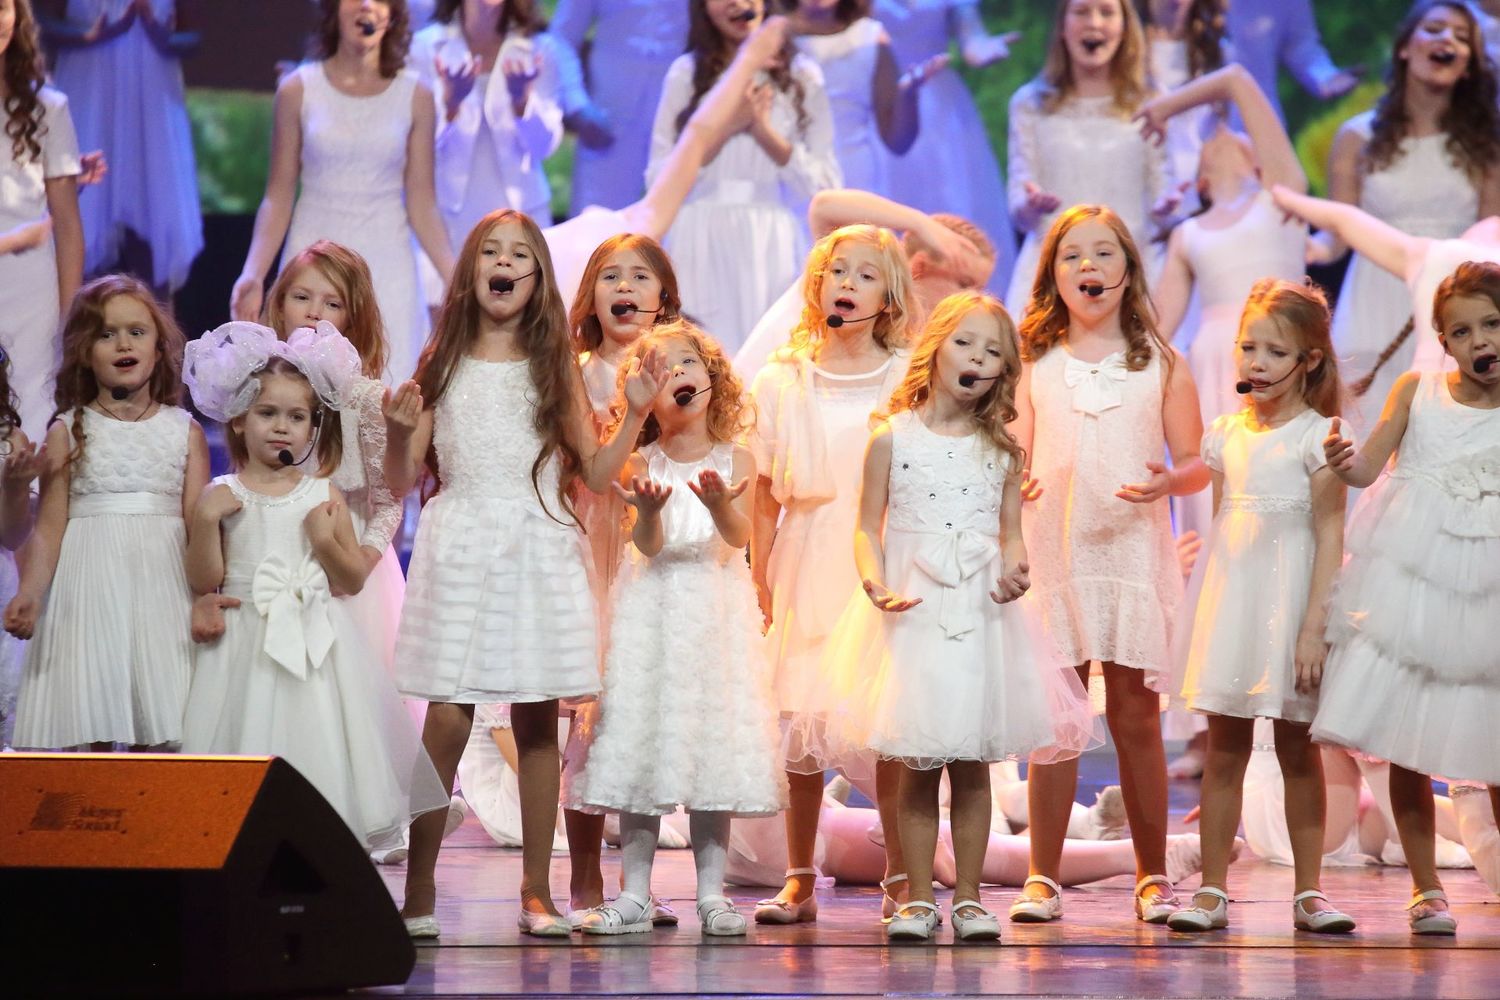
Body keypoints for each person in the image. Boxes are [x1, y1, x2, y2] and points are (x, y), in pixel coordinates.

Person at [384, 208, 667, 939]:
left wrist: (634, 417)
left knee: (539, 718)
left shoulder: (553, 365)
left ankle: (537, 892)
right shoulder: (440, 362)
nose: (503, 263)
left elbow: (597, 474)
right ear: (471, 271)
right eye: (491, 252)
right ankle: (418, 891)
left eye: (519, 254)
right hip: (460, 542)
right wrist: (397, 433)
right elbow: (400, 478)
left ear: (538, 278)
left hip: (538, 540)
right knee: (447, 716)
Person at [805, 292, 1098, 941]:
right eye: (966, 343)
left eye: (993, 352)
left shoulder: (1001, 452)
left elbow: (1010, 533)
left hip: (979, 616)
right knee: (914, 762)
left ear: (1004, 372)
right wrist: (874, 580)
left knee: (971, 763)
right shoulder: (892, 436)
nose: (977, 359)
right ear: (935, 348)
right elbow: (867, 527)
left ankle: (967, 897)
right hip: (912, 617)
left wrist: (1017, 567)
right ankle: (915, 895)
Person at [1007, 205, 1208, 925]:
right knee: (1056, 723)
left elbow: (1197, 461)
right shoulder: (1035, 362)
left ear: (1128, 270)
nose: (1087, 266)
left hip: (1129, 553)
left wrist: (1169, 482)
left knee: (1134, 716)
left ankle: (1152, 875)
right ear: (1052, 276)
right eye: (1072, 256)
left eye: (1103, 253)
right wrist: (1018, 478)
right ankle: (1042, 876)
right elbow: (1014, 449)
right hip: (1055, 553)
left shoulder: (1161, 363)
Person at [180, 321, 447, 850]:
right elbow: (204, 578)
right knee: (241, 746)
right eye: (267, 413)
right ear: (239, 420)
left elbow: (351, 580)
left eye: (296, 417)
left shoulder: (322, 494)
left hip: (313, 644)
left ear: (312, 428)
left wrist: (324, 542)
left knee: (316, 744)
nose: (282, 427)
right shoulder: (221, 492)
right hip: (241, 645)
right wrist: (207, 519)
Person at [1311, 260, 1500, 936]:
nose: (1480, 340)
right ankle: (1427, 888)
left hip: (1488, 596)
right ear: (1443, 342)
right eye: (1462, 331)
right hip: (1417, 587)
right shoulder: (1418, 391)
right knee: (1407, 736)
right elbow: (1368, 466)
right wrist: (1344, 460)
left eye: (1492, 324)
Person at [1165, 279, 1355, 935]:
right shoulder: (1224, 436)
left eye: (1276, 352)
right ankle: (1212, 889)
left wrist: (1312, 628)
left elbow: (1329, 533)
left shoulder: (1319, 436)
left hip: (1293, 605)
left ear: (1309, 359)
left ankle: (1310, 891)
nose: (1258, 363)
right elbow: (1226, 523)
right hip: (1235, 605)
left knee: (1298, 749)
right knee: (1224, 749)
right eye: (1250, 348)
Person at [749, 224, 916, 925]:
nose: (848, 283)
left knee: (886, 725)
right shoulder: (781, 379)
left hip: (882, 557)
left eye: (866, 274)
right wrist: (758, 573)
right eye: (837, 270)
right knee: (800, 724)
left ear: (889, 295)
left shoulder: (907, 375)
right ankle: (799, 877)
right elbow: (761, 489)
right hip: (807, 553)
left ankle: (903, 877)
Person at [6, 275, 205, 751]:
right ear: (84, 352)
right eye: (106, 334)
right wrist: (30, 593)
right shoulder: (67, 431)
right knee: (92, 719)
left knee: (162, 723)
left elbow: (198, 529)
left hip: (163, 590)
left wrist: (205, 598)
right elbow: (49, 528)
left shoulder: (185, 431)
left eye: (137, 332)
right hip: (89, 589)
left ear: (159, 347)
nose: (123, 344)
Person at [230, 0, 454, 382]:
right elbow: (277, 197)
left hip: (388, 264)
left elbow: (423, 203)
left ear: (392, 15)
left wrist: (454, 276)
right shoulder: (297, 89)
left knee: (387, 382)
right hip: (312, 260)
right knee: (302, 387)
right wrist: (253, 273)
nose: (367, 6)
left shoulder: (416, 95)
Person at [1316, 1, 1500, 432]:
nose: (1447, 40)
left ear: (1469, 65)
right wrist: (1301, 239)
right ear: (1404, 47)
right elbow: (1334, 238)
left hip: (1453, 305)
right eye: (1434, 29)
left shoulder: (1487, 145)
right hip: (1371, 300)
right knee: (1363, 432)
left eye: (1461, 37)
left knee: (1443, 431)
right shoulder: (1356, 136)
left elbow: (1491, 241)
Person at [648, 0, 840, 353]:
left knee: (768, 354)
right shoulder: (686, 73)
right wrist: (724, 128)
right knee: (704, 353)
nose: (739, 4)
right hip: (698, 235)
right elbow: (658, 178)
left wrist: (764, 133)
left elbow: (826, 184)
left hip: (771, 242)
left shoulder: (802, 74)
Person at [1005, 0, 1172, 318]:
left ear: (1125, 27)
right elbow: (1019, 207)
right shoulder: (1030, 104)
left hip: (1132, 274)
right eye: (1082, 12)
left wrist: (1169, 208)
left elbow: (1165, 195)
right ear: (1063, 27)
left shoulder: (1152, 101)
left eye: (1106, 12)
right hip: (1053, 277)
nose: (1094, 23)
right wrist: (1031, 205)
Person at [46, 0, 202, 292]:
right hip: (89, 94)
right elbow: (40, 25)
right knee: (80, 209)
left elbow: (192, 37)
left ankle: (153, 311)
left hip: (150, 107)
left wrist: (157, 32)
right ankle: (75, 308)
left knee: (152, 226)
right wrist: (86, 35)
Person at [874, 0, 1019, 295]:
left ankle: (959, 294)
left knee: (951, 198)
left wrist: (983, 49)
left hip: (939, 103)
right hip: (882, 101)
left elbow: (971, 38)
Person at [0, 0, 84, 441]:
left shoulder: (48, 107)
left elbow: (67, 225)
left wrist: (69, 322)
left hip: (32, 299)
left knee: (30, 422)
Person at [549, 0, 689, 214]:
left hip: (679, 122)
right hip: (608, 124)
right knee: (596, 224)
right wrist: (577, 104)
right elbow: (562, 37)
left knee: (680, 223)